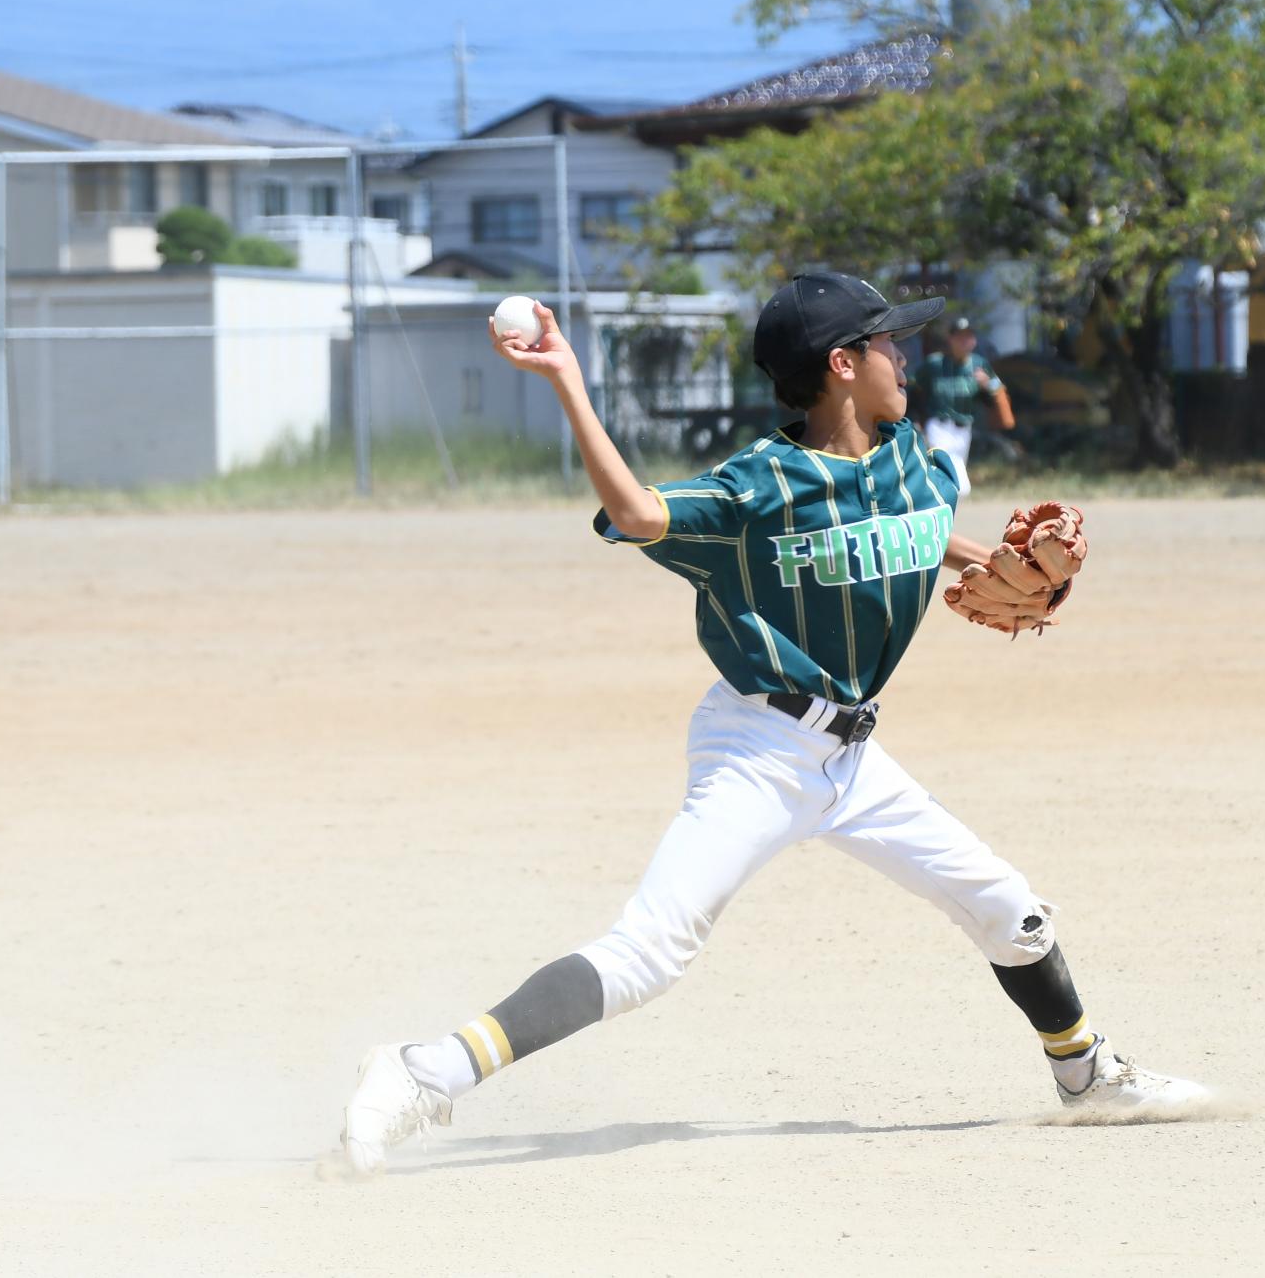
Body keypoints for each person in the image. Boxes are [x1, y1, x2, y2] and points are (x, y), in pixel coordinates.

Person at [332, 272, 1211, 1177]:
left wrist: (997, 562)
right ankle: (420, 1070)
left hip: (854, 757)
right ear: (841, 365)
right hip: (758, 747)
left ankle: (1085, 1073)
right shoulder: (756, 488)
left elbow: (912, 515)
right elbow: (636, 515)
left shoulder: (913, 458)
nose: (902, 356)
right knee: (647, 955)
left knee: (1006, 904)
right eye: (885, 343)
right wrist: (566, 377)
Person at [910, 315, 1014, 496]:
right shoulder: (934, 364)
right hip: (939, 427)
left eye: (969, 336)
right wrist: (915, 419)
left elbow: (997, 392)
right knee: (959, 482)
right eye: (960, 336)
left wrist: (988, 385)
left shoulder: (979, 365)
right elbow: (913, 390)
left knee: (952, 478)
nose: (965, 341)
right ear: (950, 339)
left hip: (964, 429)